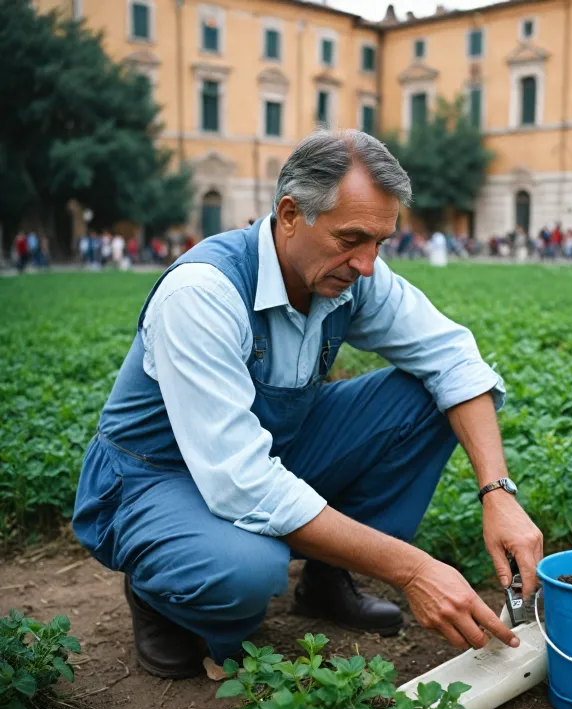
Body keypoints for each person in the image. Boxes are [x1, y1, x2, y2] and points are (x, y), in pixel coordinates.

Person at [72, 131, 542, 680]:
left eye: (380, 243)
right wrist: (413, 571)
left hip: (271, 446)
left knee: (427, 396)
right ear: (290, 215)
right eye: (352, 238)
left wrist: (497, 492)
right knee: (246, 571)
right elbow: (242, 482)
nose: (366, 264)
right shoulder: (202, 294)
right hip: (158, 474)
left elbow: (452, 357)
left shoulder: (347, 274)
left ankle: (326, 579)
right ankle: (160, 595)